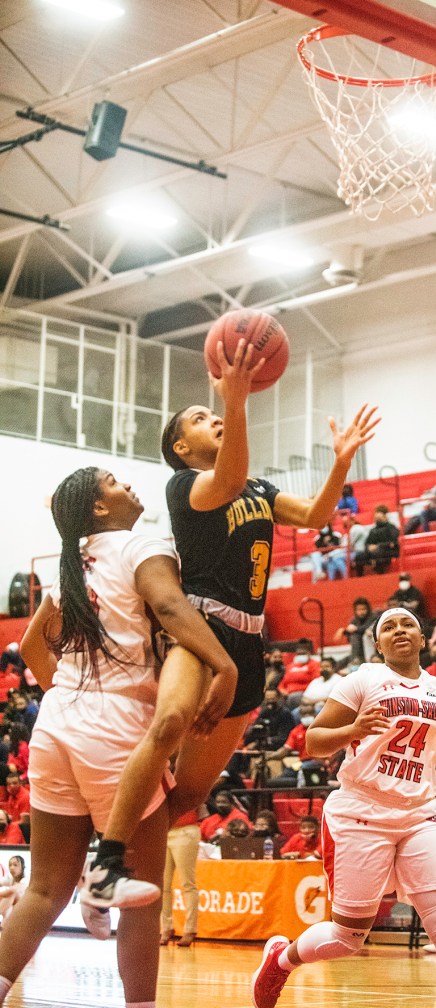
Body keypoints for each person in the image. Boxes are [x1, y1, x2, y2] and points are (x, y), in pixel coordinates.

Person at [5, 465, 240, 1008]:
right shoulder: (140, 545)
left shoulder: (71, 566)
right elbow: (168, 606)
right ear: (97, 507)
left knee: (43, 891)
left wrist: (73, 703)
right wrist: (222, 665)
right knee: (140, 897)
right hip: (115, 727)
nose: (126, 484)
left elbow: (31, 648)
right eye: (112, 481)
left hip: (57, 720)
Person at [250, 607, 436, 1008]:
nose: (399, 630)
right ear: (378, 644)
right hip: (361, 811)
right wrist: (352, 730)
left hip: (420, 814)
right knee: (347, 939)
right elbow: (315, 741)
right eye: (388, 627)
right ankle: (281, 960)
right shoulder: (364, 679)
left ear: (424, 638)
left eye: (407, 623)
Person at [161, 341, 378, 823]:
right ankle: (112, 849)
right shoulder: (183, 486)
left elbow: (316, 515)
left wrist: (341, 462)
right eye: (200, 419)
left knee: (187, 795)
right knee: (162, 757)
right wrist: (233, 403)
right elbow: (228, 480)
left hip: (249, 639)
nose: (213, 419)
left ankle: (133, 871)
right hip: (202, 632)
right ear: (181, 448)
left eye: (213, 414)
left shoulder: (258, 487)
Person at [160, 808, 201, 947]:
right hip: (164, 830)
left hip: (186, 830)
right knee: (163, 885)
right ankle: (166, 927)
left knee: (188, 883)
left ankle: (190, 929)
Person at [243, 688, 296, 754]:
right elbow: (256, 729)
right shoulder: (264, 712)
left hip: (277, 749)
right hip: (261, 746)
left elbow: (283, 738)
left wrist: (257, 743)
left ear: (278, 698)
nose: (270, 702)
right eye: (268, 699)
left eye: (272, 699)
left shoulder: (285, 713)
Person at [354, 505, 399, 575]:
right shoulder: (373, 530)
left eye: (380, 518)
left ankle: (380, 573)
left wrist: (378, 546)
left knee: (377, 553)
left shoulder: (391, 528)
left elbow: (393, 542)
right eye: (377, 518)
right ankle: (360, 576)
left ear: (385, 517)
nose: (378, 520)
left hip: (388, 550)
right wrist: (369, 547)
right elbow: (367, 543)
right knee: (359, 557)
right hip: (373, 551)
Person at [278, 641, 320, 707]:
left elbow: (315, 682)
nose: (301, 656)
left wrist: (296, 690)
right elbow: (283, 683)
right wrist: (282, 690)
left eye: (303, 654)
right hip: (287, 693)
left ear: (309, 654)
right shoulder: (290, 666)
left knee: (293, 698)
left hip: (304, 692)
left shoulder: (315, 664)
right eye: (299, 654)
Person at [0, 857, 27, 925]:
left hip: (26, 914)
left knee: (11, 894)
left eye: (15, 865)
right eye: (10, 865)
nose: (12, 868)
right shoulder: (11, 880)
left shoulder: (26, 880)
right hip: (13, 914)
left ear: (22, 867)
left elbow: (12, 891)